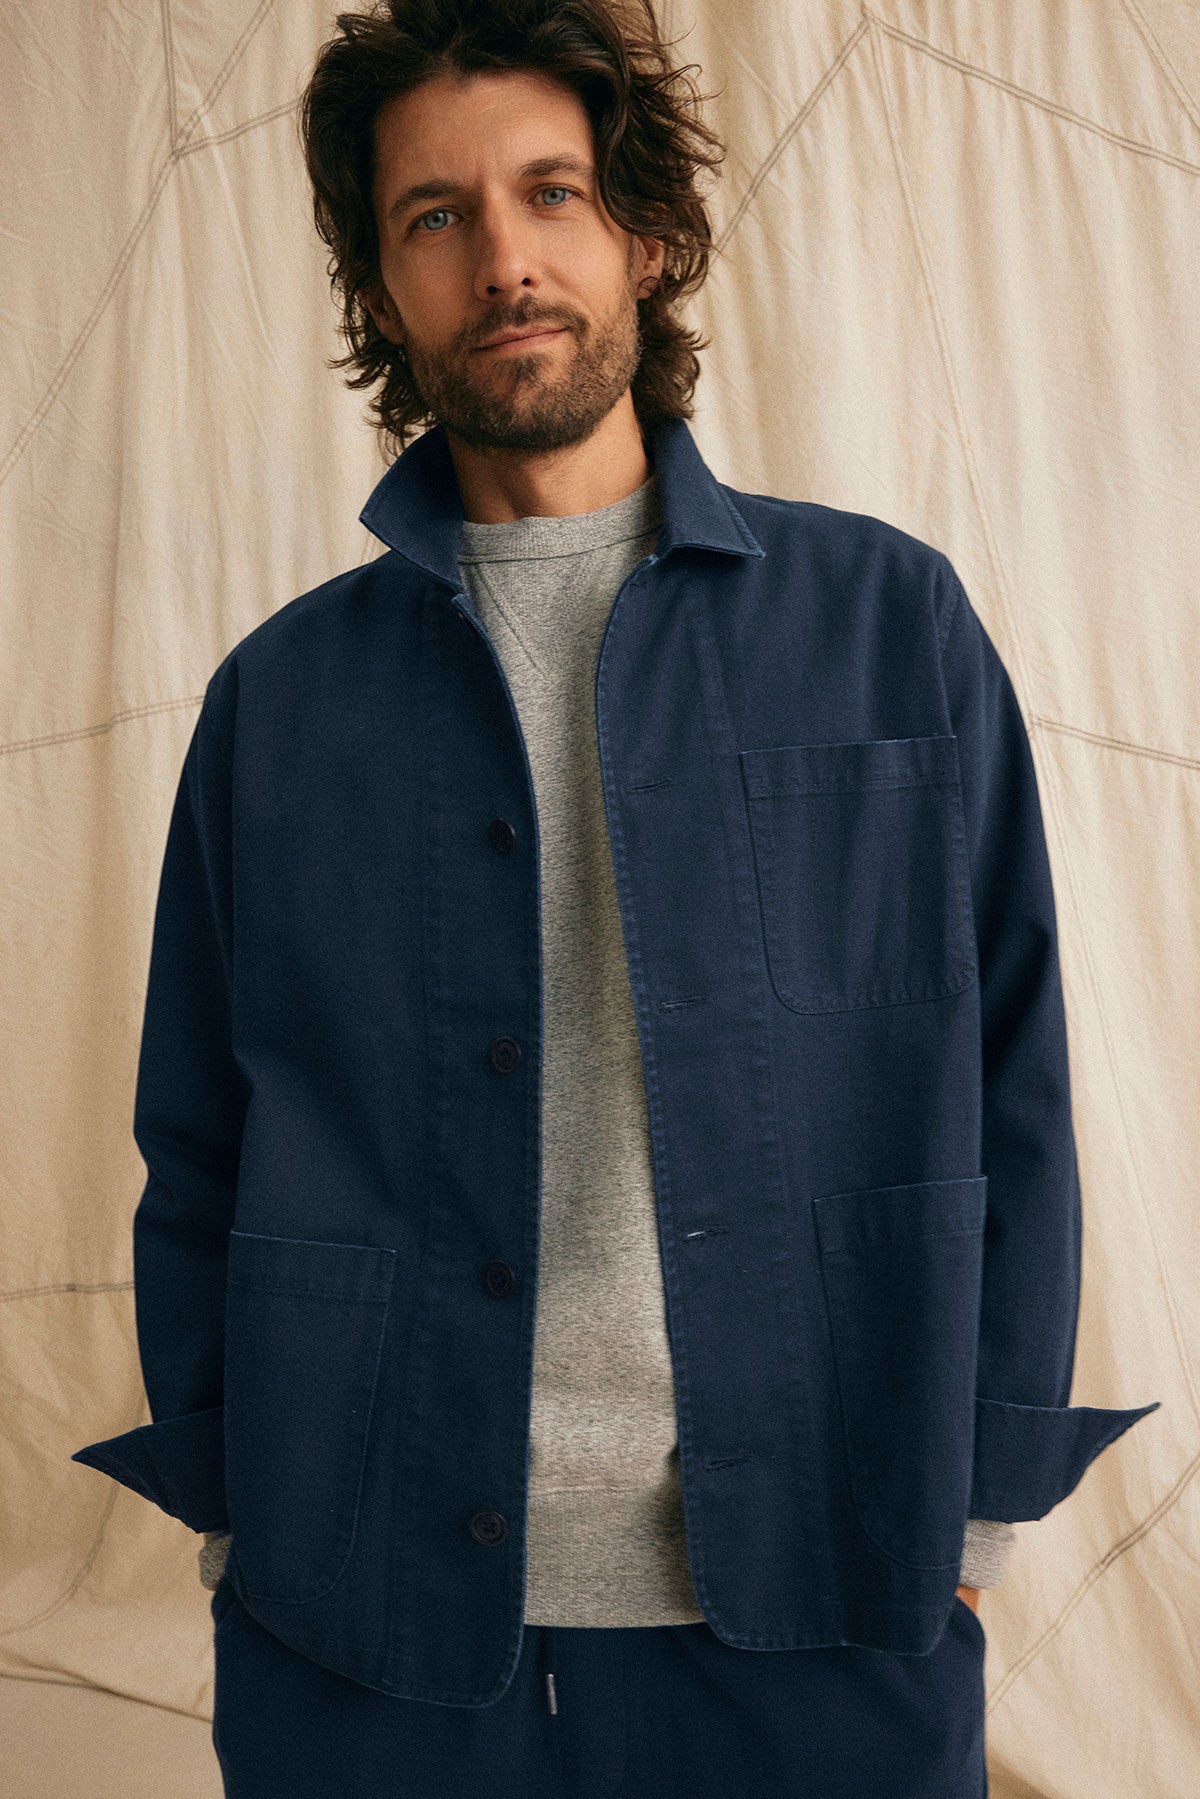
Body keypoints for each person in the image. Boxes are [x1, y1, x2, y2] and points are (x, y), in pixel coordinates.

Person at [70, 3, 1160, 1795]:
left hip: (828, 1570)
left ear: (640, 234)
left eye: (549, 192)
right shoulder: (282, 701)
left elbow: (1012, 1080)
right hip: (363, 1594)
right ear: (381, 282)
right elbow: (196, 1137)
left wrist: (971, 1508)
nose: (503, 258)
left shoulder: (890, 626)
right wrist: (233, 1514)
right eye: (435, 216)